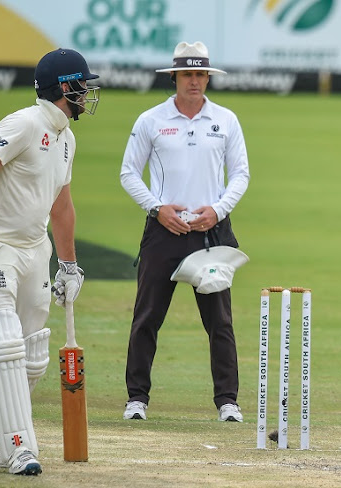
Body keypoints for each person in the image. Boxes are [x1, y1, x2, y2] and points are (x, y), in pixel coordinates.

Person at [0, 48, 99, 475]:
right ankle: (19, 449)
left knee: (32, 358)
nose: (88, 94)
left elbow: (62, 207)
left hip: (33, 249)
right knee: (5, 344)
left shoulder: (66, 137)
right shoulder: (24, 124)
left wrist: (69, 265)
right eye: (84, 86)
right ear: (66, 87)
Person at [120, 41, 250, 423]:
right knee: (147, 316)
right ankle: (136, 399)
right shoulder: (151, 120)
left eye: (201, 74)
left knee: (220, 322)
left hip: (210, 231)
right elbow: (129, 172)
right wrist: (157, 209)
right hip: (164, 231)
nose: (195, 81)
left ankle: (228, 401)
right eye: (188, 74)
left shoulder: (225, 120)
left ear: (208, 77)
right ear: (174, 77)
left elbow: (240, 173)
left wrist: (218, 210)